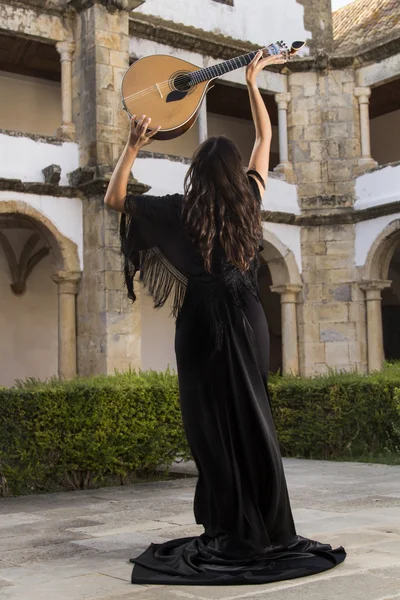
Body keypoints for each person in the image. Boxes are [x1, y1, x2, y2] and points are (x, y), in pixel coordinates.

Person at [104, 50, 346, 586]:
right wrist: (255, 84)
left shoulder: (175, 209)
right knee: (253, 416)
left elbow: (115, 199)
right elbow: (264, 141)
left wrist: (132, 146)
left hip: (200, 324)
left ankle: (225, 520)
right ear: (235, 175)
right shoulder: (252, 199)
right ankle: (266, 522)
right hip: (247, 316)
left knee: (210, 424)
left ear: (195, 175)